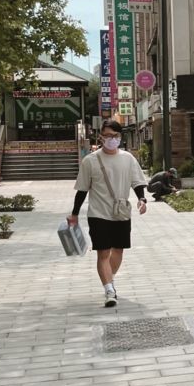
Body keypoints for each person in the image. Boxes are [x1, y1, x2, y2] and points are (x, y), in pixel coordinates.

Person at [66, 120, 148, 307]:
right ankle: (109, 290)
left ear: (120, 137)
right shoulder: (90, 160)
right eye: (108, 135)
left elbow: (137, 182)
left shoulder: (128, 158)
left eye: (115, 136)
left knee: (118, 250)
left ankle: (108, 279)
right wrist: (74, 214)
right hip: (98, 213)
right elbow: (82, 190)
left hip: (121, 213)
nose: (112, 139)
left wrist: (142, 199)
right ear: (100, 137)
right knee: (103, 252)